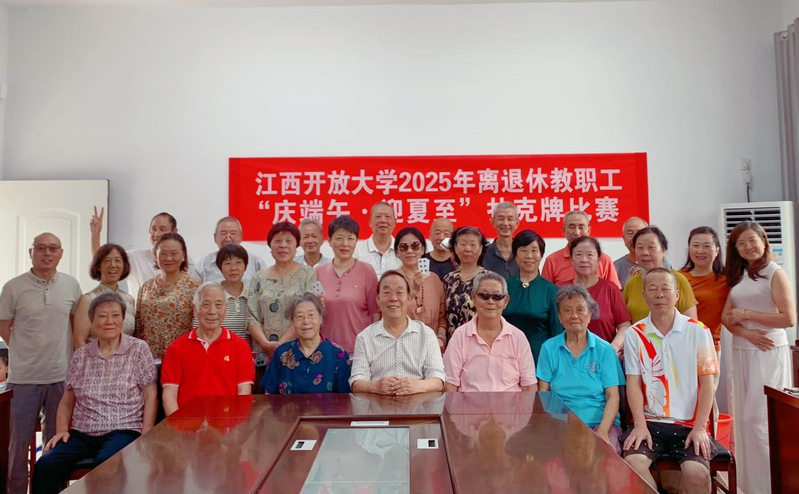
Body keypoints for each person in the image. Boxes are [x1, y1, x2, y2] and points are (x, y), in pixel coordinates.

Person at [31, 293, 157, 494]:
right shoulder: (81, 355)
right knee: (46, 464)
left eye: (115, 315)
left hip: (124, 429)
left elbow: (150, 395)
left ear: (123, 319)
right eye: (102, 316)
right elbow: (66, 401)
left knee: (105, 464)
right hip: (82, 433)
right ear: (92, 321)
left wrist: (146, 433)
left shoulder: (138, 349)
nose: (109, 321)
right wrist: (62, 430)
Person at [620, 268, 718, 494]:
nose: (659, 294)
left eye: (665, 288)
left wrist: (700, 428)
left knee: (697, 474)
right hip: (650, 423)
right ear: (644, 296)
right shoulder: (635, 333)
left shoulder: (698, 331)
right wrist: (640, 424)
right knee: (633, 464)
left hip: (689, 424)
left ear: (677, 295)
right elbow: (633, 384)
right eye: (652, 289)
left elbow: (708, 384)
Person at [0, 232, 83, 494]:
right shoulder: (13, 287)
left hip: (60, 377)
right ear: (31, 252)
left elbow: (76, 327)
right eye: (41, 248)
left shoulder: (71, 285)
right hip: (23, 379)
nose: (47, 253)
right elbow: (4, 327)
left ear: (61, 253)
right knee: (16, 446)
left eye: (53, 248)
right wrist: (24, 351)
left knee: (54, 446)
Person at [721, 221, 795, 494]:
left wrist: (748, 315)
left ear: (764, 241)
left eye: (752, 240)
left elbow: (788, 318)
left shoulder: (775, 273)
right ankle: (748, 486)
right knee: (742, 421)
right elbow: (725, 317)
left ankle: (771, 486)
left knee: (760, 420)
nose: (747, 247)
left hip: (768, 351)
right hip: (742, 349)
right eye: (740, 244)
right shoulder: (740, 275)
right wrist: (746, 332)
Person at [536, 285, 625, 453]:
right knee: (548, 454)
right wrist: (552, 426)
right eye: (567, 310)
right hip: (561, 423)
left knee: (606, 454)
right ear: (560, 317)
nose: (574, 316)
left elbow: (613, 396)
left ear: (590, 314)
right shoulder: (549, 348)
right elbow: (543, 394)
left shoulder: (604, 350)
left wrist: (602, 432)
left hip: (599, 423)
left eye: (580, 310)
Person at [162, 282, 255, 415]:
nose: (212, 311)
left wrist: (235, 425)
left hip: (227, 423)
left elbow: (244, 392)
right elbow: (169, 395)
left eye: (218, 305)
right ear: (195, 309)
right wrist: (178, 425)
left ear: (225, 309)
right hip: (187, 423)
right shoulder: (177, 347)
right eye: (205, 304)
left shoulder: (240, 347)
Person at [349, 271, 445, 395]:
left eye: (399, 292)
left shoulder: (426, 334)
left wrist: (416, 386)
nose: (393, 298)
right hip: (378, 405)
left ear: (409, 299)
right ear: (378, 299)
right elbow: (356, 381)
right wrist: (375, 386)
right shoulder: (364, 337)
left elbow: (438, 379)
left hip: (418, 405)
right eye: (387, 293)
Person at [443, 272, 536, 392]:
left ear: (506, 301)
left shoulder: (518, 337)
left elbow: (529, 385)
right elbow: (450, 383)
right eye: (484, 296)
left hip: (510, 404)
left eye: (497, 297)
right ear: (473, 297)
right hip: (470, 404)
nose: (491, 301)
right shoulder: (460, 335)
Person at [247, 221, 317, 358]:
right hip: (264, 353)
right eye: (278, 241)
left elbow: (309, 313)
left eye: (289, 241)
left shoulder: (308, 274)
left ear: (296, 246)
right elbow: (251, 317)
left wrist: (280, 345)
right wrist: (265, 344)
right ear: (270, 245)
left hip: (298, 351)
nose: (283, 245)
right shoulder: (259, 277)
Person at [89, 208, 194, 297]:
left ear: (174, 231)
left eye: (162, 229)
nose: (157, 234)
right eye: (153, 229)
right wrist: (95, 235)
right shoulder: (135, 257)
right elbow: (102, 262)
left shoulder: (184, 260)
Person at [261, 293, 351, 394]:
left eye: (311, 315)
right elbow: (269, 394)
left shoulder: (338, 355)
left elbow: (344, 399)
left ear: (320, 318)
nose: (306, 321)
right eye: (300, 316)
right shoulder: (281, 353)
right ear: (293, 321)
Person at [315, 216, 379, 354]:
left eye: (350, 238)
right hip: (325, 351)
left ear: (356, 241)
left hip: (359, 351)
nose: (345, 244)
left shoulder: (366, 271)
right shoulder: (318, 272)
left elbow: (375, 314)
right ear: (329, 241)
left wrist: (373, 347)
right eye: (339, 238)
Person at [680, 227, 730, 394]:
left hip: (710, 347)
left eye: (707, 246)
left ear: (717, 250)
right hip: (680, 346)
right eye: (695, 245)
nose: (700, 251)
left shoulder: (726, 281)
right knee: (683, 398)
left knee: (706, 399)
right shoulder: (678, 278)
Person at [134, 233, 199, 358]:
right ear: (155, 255)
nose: (168, 258)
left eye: (174, 253)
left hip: (181, 357)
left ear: (183, 256)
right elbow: (138, 326)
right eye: (163, 253)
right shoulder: (146, 287)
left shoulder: (195, 287)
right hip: (147, 358)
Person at [503, 230, 562, 362]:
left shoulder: (551, 291)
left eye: (534, 250)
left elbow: (557, 331)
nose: (529, 256)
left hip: (540, 358)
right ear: (515, 255)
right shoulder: (504, 287)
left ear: (541, 255)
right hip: (506, 356)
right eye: (524, 250)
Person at [622, 226, 697, 323]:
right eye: (640, 248)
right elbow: (623, 321)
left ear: (663, 250)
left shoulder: (678, 280)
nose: (645, 253)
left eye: (651, 247)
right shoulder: (631, 283)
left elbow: (691, 323)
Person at [570, 236, 631, 352]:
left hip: (604, 355)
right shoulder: (561, 289)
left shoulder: (610, 289)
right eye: (578, 254)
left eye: (590, 255)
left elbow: (624, 325)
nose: (584, 260)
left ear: (599, 260)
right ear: (571, 260)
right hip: (569, 356)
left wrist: (613, 348)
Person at [393, 227, 447, 350]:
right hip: (401, 346)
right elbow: (389, 315)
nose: (410, 251)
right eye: (404, 247)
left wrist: (440, 337)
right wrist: (413, 292)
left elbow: (442, 317)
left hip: (432, 347)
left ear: (422, 249)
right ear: (397, 251)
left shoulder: (434, 279)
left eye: (415, 246)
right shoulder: (392, 279)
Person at [73, 243, 136, 348]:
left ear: (124, 266)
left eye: (117, 260)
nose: (113, 265)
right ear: (98, 266)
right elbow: (79, 341)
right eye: (107, 261)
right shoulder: (88, 299)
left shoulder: (129, 300)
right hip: (95, 357)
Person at [541, 210, 621, 288]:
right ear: (564, 230)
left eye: (581, 227)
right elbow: (544, 292)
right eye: (572, 227)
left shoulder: (604, 260)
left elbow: (614, 291)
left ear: (589, 230)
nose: (577, 232)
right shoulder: (552, 261)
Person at [443, 226, 490, 338]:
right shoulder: (448, 279)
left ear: (480, 248)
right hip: (453, 341)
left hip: (479, 340)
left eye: (473, 245)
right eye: (463, 244)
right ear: (455, 247)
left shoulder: (489, 279)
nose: (467, 249)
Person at [193, 216, 267, 284]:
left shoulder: (255, 261)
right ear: (215, 237)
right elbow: (195, 289)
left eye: (233, 233)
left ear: (241, 237)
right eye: (223, 233)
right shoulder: (205, 263)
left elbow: (265, 287)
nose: (228, 238)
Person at [212, 244, 252, 345]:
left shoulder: (253, 294)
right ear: (220, 267)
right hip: (220, 350)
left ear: (245, 266)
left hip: (248, 352)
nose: (233, 268)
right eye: (227, 263)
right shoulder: (213, 295)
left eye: (238, 262)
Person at [354, 202, 401, 277]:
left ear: (395, 222)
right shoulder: (356, 249)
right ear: (370, 222)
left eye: (387, 216)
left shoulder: (402, 249)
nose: (383, 220)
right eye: (378, 216)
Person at [482, 202, 520, 279]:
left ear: (517, 223)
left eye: (510, 219)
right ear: (493, 222)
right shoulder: (483, 253)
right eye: (501, 219)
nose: (505, 223)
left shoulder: (523, 252)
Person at [614, 216, 648, 288]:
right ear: (624, 239)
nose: (635, 237)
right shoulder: (615, 267)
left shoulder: (661, 264)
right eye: (630, 233)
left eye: (639, 233)